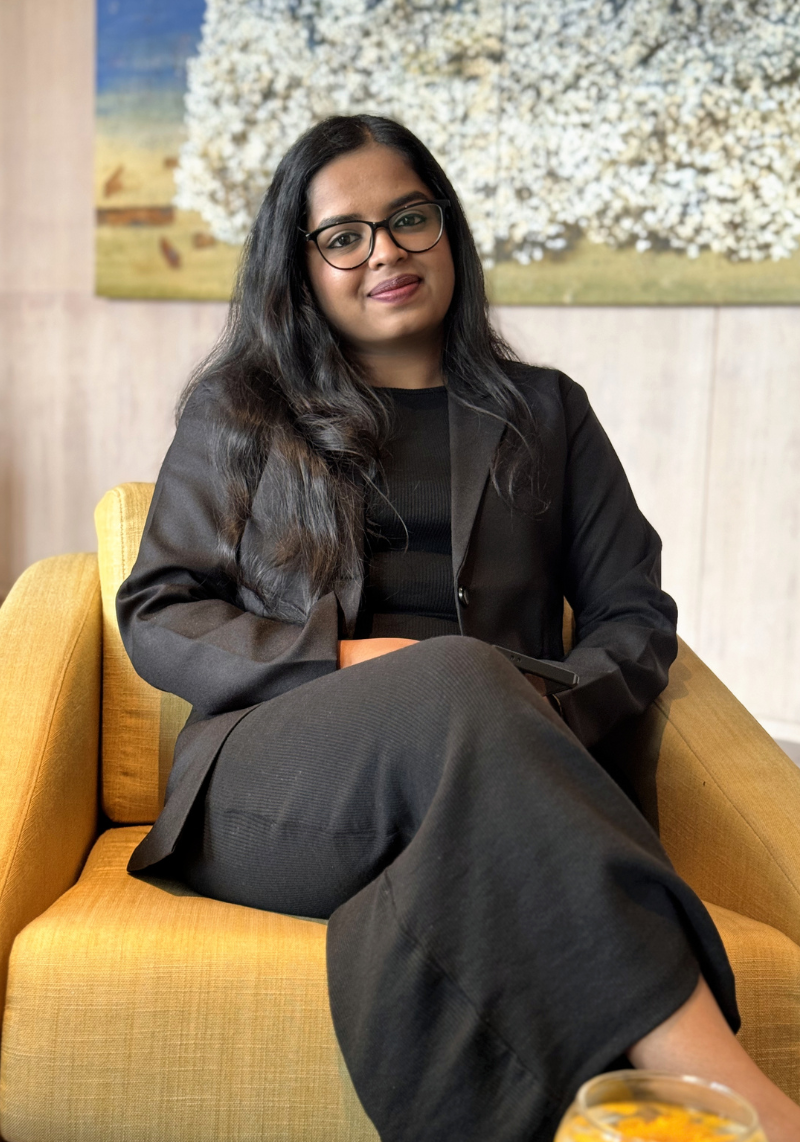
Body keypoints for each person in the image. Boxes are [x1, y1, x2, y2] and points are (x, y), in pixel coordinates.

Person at [117, 114, 800, 1142]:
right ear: (300, 269)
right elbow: (158, 612)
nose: (384, 251)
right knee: (452, 673)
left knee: (463, 680)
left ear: (447, 230)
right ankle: (740, 1101)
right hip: (282, 782)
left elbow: (632, 615)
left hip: (493, 753)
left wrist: (537, 705)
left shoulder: (547, 413)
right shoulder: (242, 411)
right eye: (343, 236)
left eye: (409, 219)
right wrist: (345, 657)